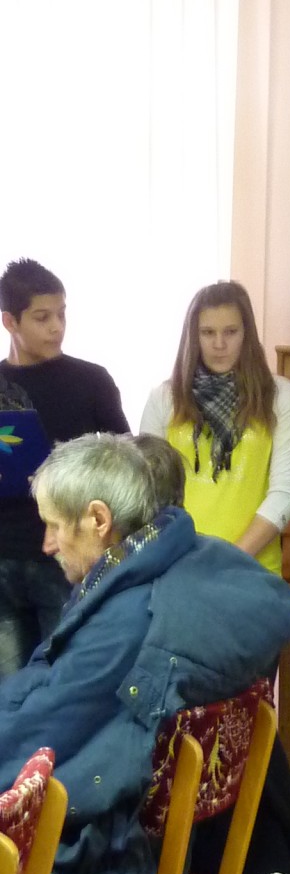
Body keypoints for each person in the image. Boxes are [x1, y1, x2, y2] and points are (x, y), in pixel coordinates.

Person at [0, 433, 290, 874]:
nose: (45, 545)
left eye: (54, 526)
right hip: (137, 857)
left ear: (98, 519)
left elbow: (35, 736)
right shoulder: (181, 563)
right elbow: (49, 691)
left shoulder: (128, 622)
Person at [132, 432, 290, 874]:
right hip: (242, 826)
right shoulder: (215, 569)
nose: (51, 541)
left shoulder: (143, 609)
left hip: (168, 838)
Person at [0, 257, 130, 677]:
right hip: (4, 558)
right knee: (8, 694)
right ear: (9, 322)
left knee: (67, 681)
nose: (57, 327)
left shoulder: (91, 381)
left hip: (67, 558)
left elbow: (126, 465)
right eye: (42, 318)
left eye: (62, 314)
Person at [139, 279, 290, 576]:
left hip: (253, 569)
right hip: (178, 566)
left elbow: (287, 492)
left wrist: (227, 559)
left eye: (230, 332)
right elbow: (150, 490)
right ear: (193, 336)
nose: (219, 344)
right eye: (208, 333)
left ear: (247, 334)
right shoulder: (164, 398)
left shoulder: (281, 396)